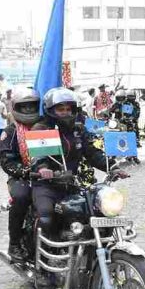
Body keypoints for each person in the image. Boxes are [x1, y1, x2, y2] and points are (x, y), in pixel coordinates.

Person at [30, 88, 116, 239]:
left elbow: (92, 152)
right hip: (47, 185)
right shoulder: (42, 128)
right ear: (51, 110)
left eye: (68, 109)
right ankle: (39, 253)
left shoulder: (79, 129)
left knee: (94, 212)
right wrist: (43, 169)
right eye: (60, 109)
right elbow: (39, 156)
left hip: (72, 184)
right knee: (46, 216)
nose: (65, 112)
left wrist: (112, 166)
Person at [0, 88, 42, 261]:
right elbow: (7, 161)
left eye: (32, 107)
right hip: (21, 177)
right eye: (24, 107)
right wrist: (25, 171)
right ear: (16, 108)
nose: (28, 111)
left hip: (47, 176)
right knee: (21, 197)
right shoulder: (11, 131)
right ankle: (14, 243)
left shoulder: (46, 128)